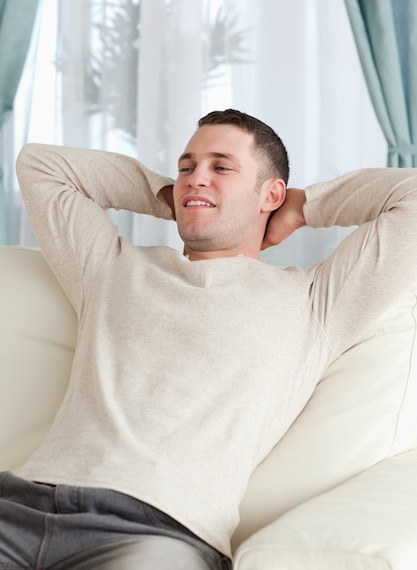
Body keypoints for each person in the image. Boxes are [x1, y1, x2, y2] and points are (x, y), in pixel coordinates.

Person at [2, 108, 417, 569]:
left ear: (270, 193)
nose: (197, 177)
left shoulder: (316, 300)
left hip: (154, 534)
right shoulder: (110, 267)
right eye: (186, 167)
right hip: (19, 506)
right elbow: (40, 164)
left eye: (221, 167)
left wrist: (302, 206)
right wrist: (179, 195)